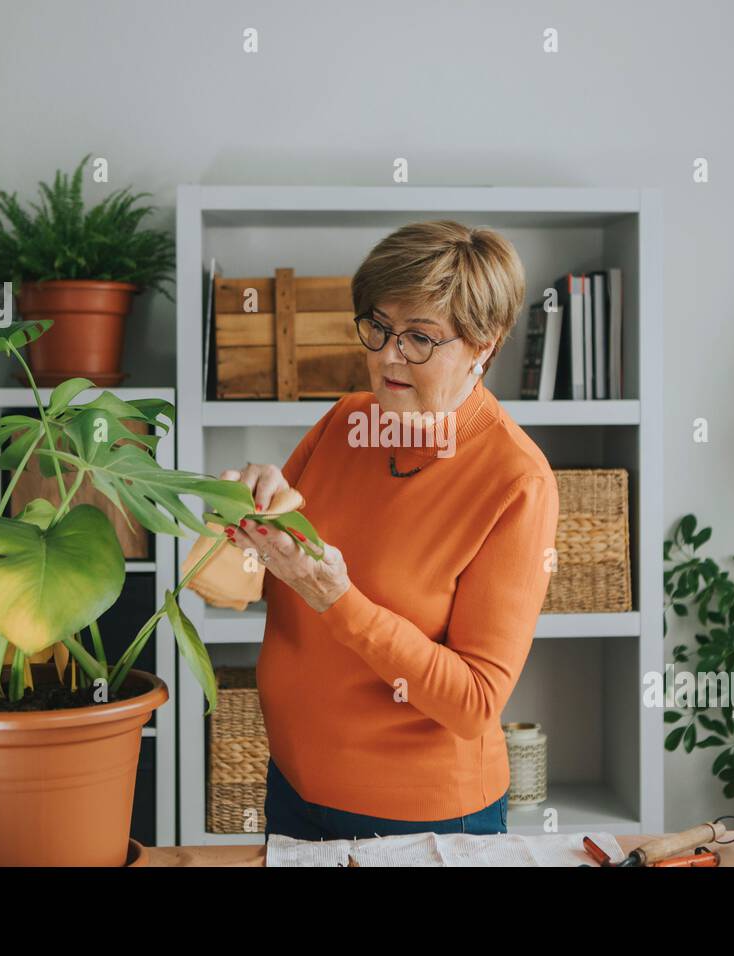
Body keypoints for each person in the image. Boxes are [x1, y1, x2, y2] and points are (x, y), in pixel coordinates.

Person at [219, 220, 559, 841]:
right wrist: (239, 515)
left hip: (422, 819)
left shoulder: (516, 480)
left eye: (420, 339)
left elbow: (475, 702)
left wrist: (338, 601)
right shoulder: (346, 421)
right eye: (377, 327)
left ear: (486, 344)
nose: (386, 356)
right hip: (293, 787)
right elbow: (241, 584)